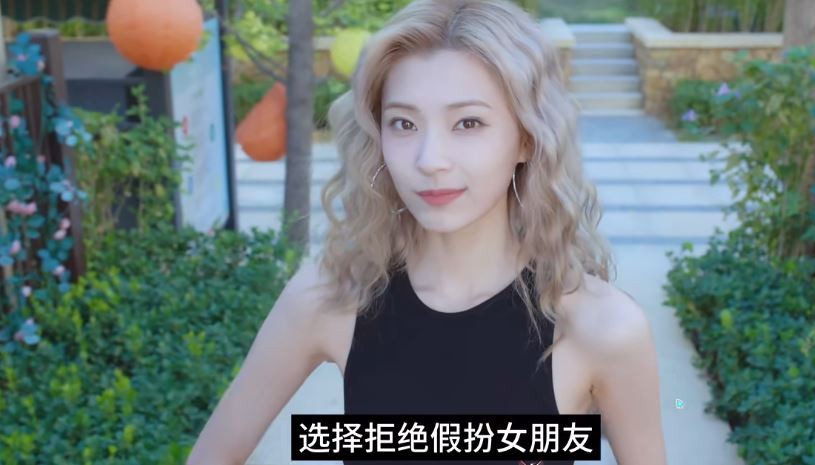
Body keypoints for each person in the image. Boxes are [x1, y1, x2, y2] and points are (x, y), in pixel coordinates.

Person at [187, 0, 667, 464]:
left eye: (468, 123)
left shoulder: (603, 328)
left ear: (527, 138)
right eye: (404, 123)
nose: (429, 159)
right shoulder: (329, 297)